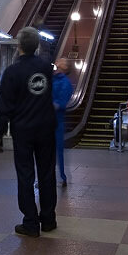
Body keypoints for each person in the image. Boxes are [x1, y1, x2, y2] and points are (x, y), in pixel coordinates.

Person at [0, 27, 57, 237]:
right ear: (37, 45)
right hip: (47, 127)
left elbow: (5, 105)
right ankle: (48, 219)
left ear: (19, 46)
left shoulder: (12, 72)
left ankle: (30, 222)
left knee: (25, 175)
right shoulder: (46, 68)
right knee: (47, 173)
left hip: (23, 130)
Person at [52, 58, 73, 187]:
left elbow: (60, 104)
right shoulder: (51, 79)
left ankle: (61, 177)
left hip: (56, 121)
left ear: (64, 67)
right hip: (48, 120)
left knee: (58, 150)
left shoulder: (65, 83)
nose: (57, 61)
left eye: (60, 61)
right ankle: (48, 176)